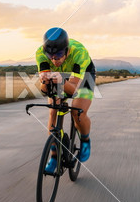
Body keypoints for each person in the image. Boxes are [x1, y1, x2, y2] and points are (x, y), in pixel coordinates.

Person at [36, 27, 96, 173]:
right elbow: (44, 91)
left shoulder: (79, 53)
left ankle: (85, 140)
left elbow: (74, 90)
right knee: (53, 112)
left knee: (78, 113)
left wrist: (61, 81)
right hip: (59, 77)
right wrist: (44, 81)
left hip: (83, 76)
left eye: (59, 55)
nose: (55, 60)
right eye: (51, 56)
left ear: (67, 50)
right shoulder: (41, 54)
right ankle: (54, 156)